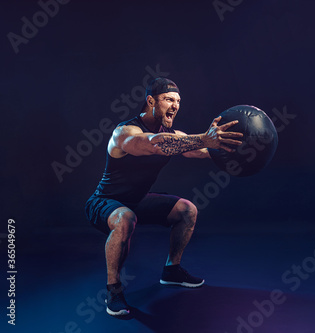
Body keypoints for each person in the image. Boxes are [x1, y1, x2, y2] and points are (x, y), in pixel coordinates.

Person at [84, 77, 243, 317]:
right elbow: (155, 145)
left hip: (137, 200)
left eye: (178, 101)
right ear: (150, 101)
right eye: (169, 99)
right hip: (104, 202)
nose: (175, 105)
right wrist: (203, 138)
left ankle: (171, 271)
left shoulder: (174, 134)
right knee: (125, 218)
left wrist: (237, 151)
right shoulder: (125, 131)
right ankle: (114, 289)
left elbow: (200, 150)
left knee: (187, 210)